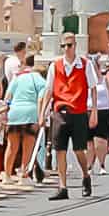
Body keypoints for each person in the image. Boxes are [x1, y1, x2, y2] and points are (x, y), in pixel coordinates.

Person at [40, 32, 96, 200]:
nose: (66, 49)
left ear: (75, 46)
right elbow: (49, 90)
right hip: (59, 112)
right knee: (60, 151)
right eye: (63, 46)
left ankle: (85, 176)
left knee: (79, 150)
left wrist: (94, 112)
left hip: (78, 112)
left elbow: (93, 88)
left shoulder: (85, 65)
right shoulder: (55, 66)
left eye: (69, 45)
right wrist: (42, 113)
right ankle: (62, 186)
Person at [2, 50, 45, 182]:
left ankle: (7, 175)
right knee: (28, 146)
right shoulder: (38, 78)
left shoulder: (17, 78)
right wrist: (40, 115)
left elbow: (7, 97)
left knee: (12, 146)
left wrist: (5, 112)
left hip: (14, 113)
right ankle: (24, 175)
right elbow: (41, 98)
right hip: (30, 113)